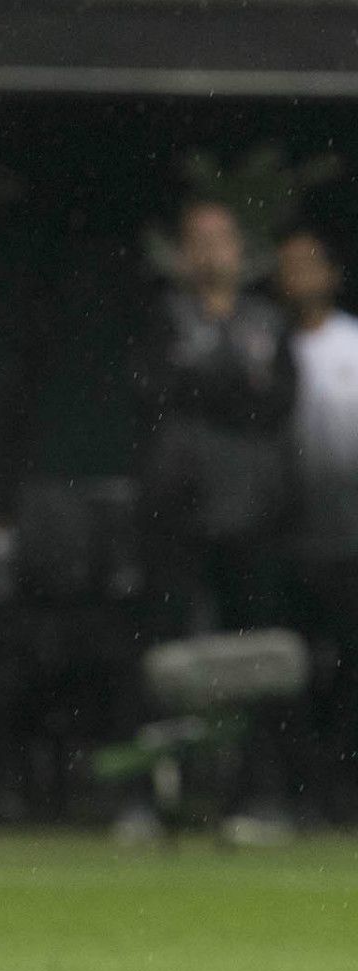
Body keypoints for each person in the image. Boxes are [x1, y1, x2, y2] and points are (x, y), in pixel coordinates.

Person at [120, 199, 299, 844]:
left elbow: (278, 403)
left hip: (252, 514)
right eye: (197, 241)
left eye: (221, 240)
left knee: (259, 655)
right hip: (175, 511)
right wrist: (226, 384)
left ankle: (257, 800)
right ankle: (147, 799)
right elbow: (156, 391)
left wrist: (213, 381)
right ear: (179, 252)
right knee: (161, 653)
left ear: (240, 251)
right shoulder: (155, 318)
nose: (209, 253)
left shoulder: (267, 322)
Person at [274, 227, 358, 821]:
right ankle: (297, 793)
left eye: (309, 264)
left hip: (351, 542)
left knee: (350, 671)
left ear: (332, 274)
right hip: (282, 540)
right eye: (288, 266)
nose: (298, 276)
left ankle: (346, 792)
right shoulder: (265, 344)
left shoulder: (353, 343)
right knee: (288, 672)